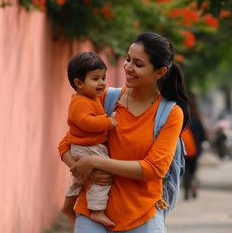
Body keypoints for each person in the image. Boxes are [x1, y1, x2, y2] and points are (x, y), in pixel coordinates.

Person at [58, 32, 190, 232]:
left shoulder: (170, 113)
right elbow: (66, 145)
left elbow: (154, 169)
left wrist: (96, 162)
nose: (128, 67)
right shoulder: (105, 100)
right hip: (92, 213)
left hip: (141, 218)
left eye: (138, 64)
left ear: (160, 72)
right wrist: (84, 172)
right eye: (128, 59)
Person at [60, 52, 118, 227]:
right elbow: (86, 122)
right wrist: (108, 121)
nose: (101, 82)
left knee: (79, 178)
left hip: (84, 146)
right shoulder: (80, 102)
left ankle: (68, 205)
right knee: (104, 175)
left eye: (103, 77)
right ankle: (97, 210)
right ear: (79, 83)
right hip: (88, 147)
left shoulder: (90, 98)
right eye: (95, 78)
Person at [181, 94, 206, 200]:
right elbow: (203, 136)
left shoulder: (181, 117)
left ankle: (186, 190)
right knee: (192, 170)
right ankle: (193, 182)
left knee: (184, 170)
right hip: (195, 150)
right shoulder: (197, 119)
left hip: (183, 149)